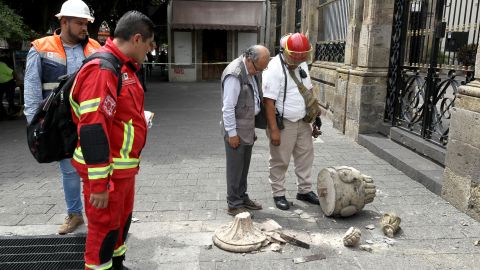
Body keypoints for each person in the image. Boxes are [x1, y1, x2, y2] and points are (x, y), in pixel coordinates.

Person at [69, 10, 154, 270]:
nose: (150, 51)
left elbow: (117, 114)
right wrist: (98, 184)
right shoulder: (102, 70)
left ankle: (117, 264)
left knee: (120, 224)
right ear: (137, 38)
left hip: (122, 170)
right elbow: (93, 128)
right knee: (103, 234)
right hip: (107, 174)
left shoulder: (124, 67)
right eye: (150, 45)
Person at [23, 0, 100, 234]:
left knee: (95, 167)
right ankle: (75, 214)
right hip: (60, 121)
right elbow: (32, 87)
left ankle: (96, 216)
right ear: (63, 21)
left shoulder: (95, 48)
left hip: (90, 119)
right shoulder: (40, 48)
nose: (84, 28)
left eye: (86, 23)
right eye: (79, 23)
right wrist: (34, 123)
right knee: (69, 170)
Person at [262, 33, 321, 210]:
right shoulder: (274, 68)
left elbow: (308, 89)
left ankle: (304, 190)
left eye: (303, 55)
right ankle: (278, 193)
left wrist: (314, 117)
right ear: (285, 51)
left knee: (305, 157)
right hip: (283, 123)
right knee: (280, 159)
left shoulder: (301, 61)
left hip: (303, 121)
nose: (299, 59)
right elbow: (268, 101)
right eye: (295, 56)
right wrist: (273, 130)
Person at [221, 45, 270, 216]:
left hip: (246, 127)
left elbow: (252, 101)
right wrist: (232, 134)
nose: (259, 72)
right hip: (236, 130)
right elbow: (228, 108)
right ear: (249, 59)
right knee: (235, 169)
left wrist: (252, 128)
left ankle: (242, 197)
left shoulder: (252, 71)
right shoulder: (235, 75)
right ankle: (234, 204)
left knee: (243, 168)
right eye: (259, 68)